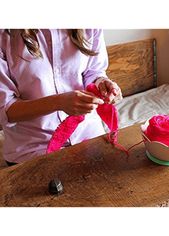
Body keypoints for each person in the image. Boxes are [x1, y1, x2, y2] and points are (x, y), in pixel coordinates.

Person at [0, 29, 122, 165]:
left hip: (89, 135)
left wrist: (101, 83)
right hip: (33, 150)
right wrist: (59, 102)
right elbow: (5, 110)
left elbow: (92, 71)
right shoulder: (5, 35)